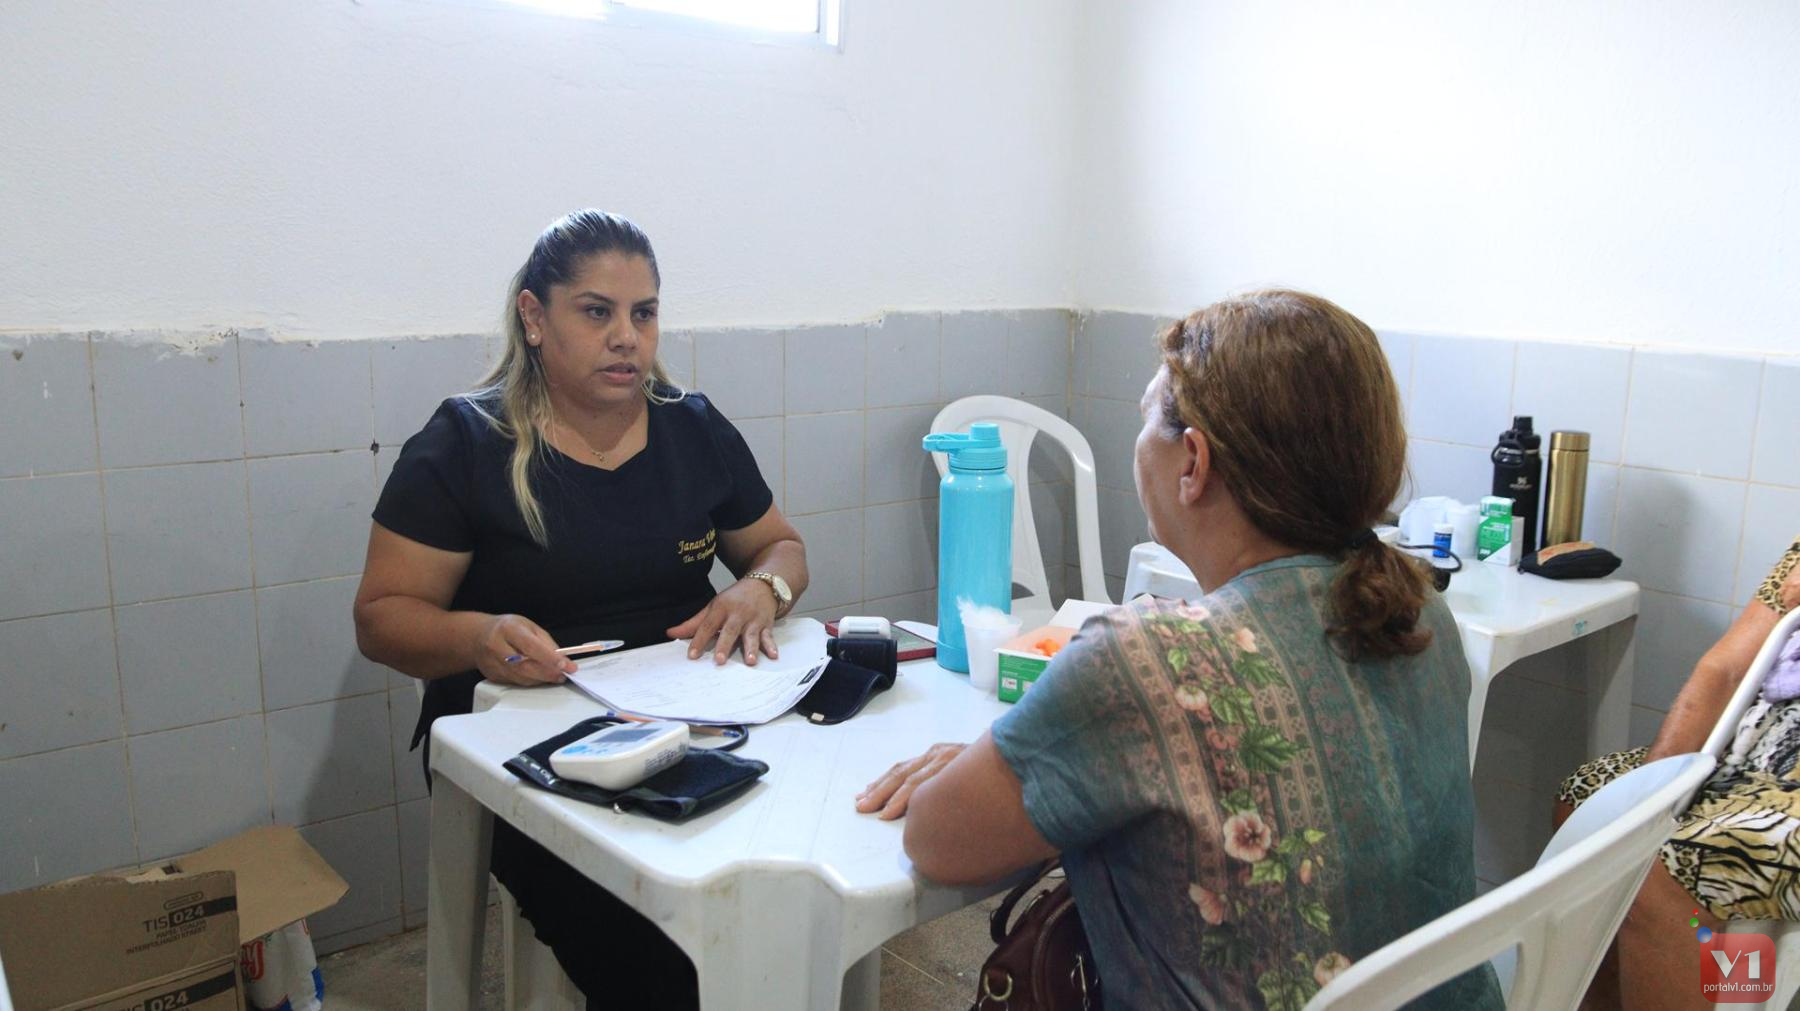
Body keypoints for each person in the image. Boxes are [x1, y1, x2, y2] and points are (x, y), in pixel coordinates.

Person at [857, 290, 1502, 1010]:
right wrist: (1053, 767)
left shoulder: (1153, 660)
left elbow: (935, 838)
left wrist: (1050, 777)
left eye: (1146, 420)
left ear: (1193, 461)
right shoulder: (1415, 613)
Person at [353, 209, 807, 1007]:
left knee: (795, 878)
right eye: (597, 312)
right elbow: (381, 616)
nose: (627, 338)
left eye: (644, 313)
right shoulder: (467, 441)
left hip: (687, 718)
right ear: (534, 317)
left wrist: (760, 588)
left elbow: (782, 548)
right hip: (523, 735)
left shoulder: (693, 428)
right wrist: (479, 635)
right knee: (663, 956)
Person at [1558, 537, 1800, 1011]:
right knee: (1588, 808)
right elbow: (1725, 669)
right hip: (1755, 756)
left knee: (1665, 865)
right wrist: (1651, 788)